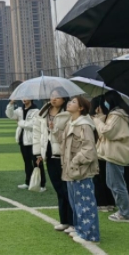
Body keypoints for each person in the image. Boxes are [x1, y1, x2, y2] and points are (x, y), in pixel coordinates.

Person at [92, 90, 129, 223]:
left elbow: (107, 132)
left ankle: (125, 213)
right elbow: (106, 130)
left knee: (117, 184)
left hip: (115, 153)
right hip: (113, 153)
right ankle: (124, 211)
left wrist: (97, 119)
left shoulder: (117, 114)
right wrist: (100, 116)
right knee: (113, 183)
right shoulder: (116, 114)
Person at [59, 95, 100, 243]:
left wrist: (75, 161)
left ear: (81, 108)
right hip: (70, 170)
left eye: (74, 102)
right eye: (70, 101)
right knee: (75, 203)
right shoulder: (71, 123)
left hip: (81, 170)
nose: (69, 103)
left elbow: (89, 150)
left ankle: (89, 235)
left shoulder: (84, 125)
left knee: (85, 203)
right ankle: (80, 229)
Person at [33, 88, 72, 230]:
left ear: (64, 99)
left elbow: (70, 134)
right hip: (49, 155)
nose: (54, 98)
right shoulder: (42, 113)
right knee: (58, 189)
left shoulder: (68, 113)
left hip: (63, 155)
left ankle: (73, 222)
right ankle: (64, 221)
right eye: (52, 96)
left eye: (57, 96)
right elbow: (37, 134)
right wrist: (38, 153)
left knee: (66, 189)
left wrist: (55, 129)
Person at [6, 98, 45, 191]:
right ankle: (28, 182)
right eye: (23, 97)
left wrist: (20, 122)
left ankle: (42, 185)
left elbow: (33, 125)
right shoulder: (19, 110)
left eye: (26, 97)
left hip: (33, 141)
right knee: (27, 163)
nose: (24, 99)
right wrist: (11, 104)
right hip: (22, 140)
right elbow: (10, 115)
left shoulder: (36, 111)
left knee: (37, 163)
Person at [89, 96, 116, 212]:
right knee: (106, 178)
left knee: (98, 178)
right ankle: (110, 202)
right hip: (106, 152)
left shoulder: (93, 119)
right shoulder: (109, 117)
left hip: (97, 151)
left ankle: (102, 203)